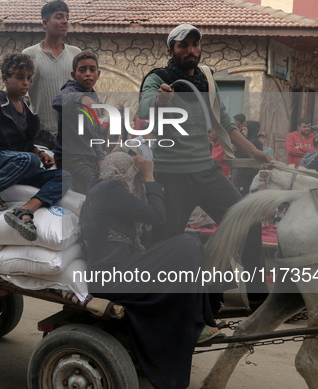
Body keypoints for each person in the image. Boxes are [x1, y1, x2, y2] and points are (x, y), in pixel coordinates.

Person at [138, 24, 272, 311]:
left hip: (205, 171)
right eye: (183, 45)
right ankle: (155, 305)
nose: (191, 50)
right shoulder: (157, 78)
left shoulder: (207, 78)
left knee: (247, 222)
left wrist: (254, 151)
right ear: (171, 50)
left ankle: (257, 293)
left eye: (195, 44)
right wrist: (161, 99)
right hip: (170, 176)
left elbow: (223, 120)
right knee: (165, 241)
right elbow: (144, 108)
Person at [80, 152, 220, 389]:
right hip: (112, 276)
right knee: (188, 244)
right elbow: (158, 215)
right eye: (135, 176)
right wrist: (148, 176)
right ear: (126, 173)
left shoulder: (101, 190)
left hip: (119, 268)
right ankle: (199, 321)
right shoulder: (110, 190)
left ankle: (200, 319)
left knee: (190, 244)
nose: (136, 182)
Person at [0, 53, 72, 241]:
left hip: (20, 162)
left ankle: (25, 210)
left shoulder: (24, 108)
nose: (26, 83)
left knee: (64, 176)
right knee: (29, 159)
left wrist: (40, 152)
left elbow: (25, 144)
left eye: (28, 78)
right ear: (5, 79)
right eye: (20, 77)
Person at [23, 0, 81, 133]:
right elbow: (19, 93)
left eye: (67, 17)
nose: (65, 21)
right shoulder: (29, 55)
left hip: (73, 133)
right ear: (45, 23)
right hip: (42, 134)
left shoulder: (76, 54)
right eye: (59, 17)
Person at [52, 51, 104, 193]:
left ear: (98, 74)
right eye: (82, 70)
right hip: (72, 158)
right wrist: (81, 98)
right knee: (95, 193)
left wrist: (100, 157)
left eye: (92, 70)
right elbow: (57, 100)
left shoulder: (93, 97)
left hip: (90, 157)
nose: (88, 74)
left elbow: (95, 133)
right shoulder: (69, 91)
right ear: (74, 75)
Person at [232, 120, 263, 196]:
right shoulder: (249, 141)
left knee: (242, 194)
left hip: (247, 173)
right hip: (245, 172)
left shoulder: (253, 142)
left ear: (251, 129)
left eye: (245, 129)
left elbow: (241, 156)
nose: (243, 132)